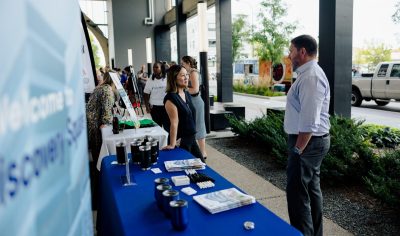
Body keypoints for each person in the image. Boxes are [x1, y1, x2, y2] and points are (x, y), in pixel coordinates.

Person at [284, 35, 331, 236]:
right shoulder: (307, 74)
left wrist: (297, 150)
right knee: (311, 192)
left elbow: (309, 122)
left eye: (291, 50)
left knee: (297, 196)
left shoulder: (311, 76)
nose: (289, 55)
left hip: (307, 144)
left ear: (302, 52)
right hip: (310, 143)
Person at [86, 71, 117, 209]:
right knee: (100, 162)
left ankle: (96, 198)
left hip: (91, 128)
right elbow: (106, 114)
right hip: (97, 130)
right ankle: (99, 200)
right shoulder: (107, 90)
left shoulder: (100, 87)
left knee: (96, 162)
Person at [162, 65, 204, 162]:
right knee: (184, 171)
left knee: (201, 166)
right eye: (182, 75)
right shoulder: (170, 98)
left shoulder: (186, 93)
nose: (186, 78)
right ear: (174, 78)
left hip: (192, 139)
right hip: (182, 141)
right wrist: (172, 144)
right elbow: (174, 123)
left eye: (187, 75)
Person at [181, 56, 207, 159]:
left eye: (183, 63)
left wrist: (182, 89)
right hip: (192, 101)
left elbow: (195, 90)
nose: (182, 65)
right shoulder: (189, 72)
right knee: (193, 125)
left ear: (188, 63)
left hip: (196, 101)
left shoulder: (193, 72)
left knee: (199, 126)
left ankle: (203, 152)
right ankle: (198, 151)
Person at [143, 62, 169, 130]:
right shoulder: (150, 80)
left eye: (156, 67)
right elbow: (146, 93)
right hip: (154, 108)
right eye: (153, 67)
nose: (154, 69)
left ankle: (168, 140)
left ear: (161, 68)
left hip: (166, 107)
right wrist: (147, 107)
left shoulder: (167, 78)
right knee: (157, 128)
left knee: (167, 127)